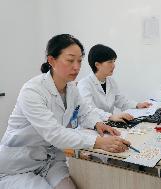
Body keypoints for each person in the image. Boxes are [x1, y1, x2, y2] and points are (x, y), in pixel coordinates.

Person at [0, 34, 131, 189]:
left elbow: (85, 112)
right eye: (70, 60)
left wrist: (97, 123)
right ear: (51, 60)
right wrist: (98, 142)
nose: (76, 67)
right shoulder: (32, 91)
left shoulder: (71, 89)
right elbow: (54, 133)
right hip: (19, 165)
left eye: (79, 61)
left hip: (51, 161)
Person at [77, 44, 151, 123]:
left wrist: (137, 105)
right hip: (91, 127)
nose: (114, 65)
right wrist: (110, 116)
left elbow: (120, 100)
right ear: (97, 65)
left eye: (114, 61)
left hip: (109, 123)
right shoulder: (84, 84)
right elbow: (88, 110)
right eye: (110, 62)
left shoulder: (110, 81)